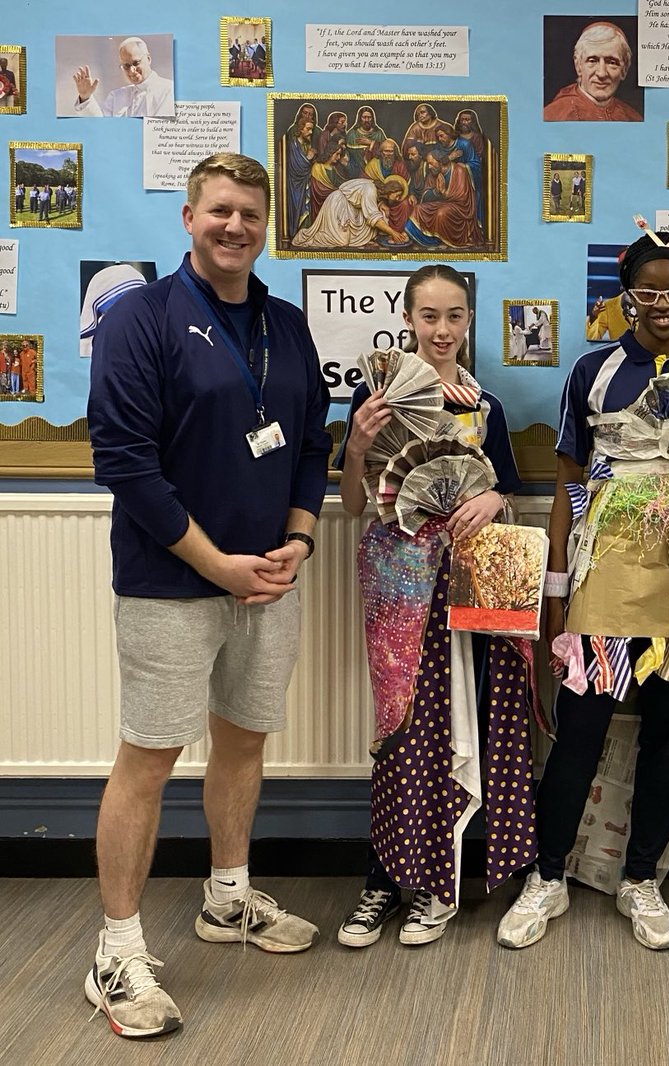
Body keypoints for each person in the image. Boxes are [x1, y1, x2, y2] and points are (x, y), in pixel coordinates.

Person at [85, 152, 332, 1038]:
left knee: (244, 742)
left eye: (250, 215)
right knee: (149, 758)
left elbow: (310, 442)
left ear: (268, 228)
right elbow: (124, 462)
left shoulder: (286, 325)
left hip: (269, 581)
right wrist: (215, 563)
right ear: (189, 218)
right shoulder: (141, 318)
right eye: (220, 211)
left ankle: (228, 897)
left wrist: (299, 539)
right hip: (171, 582)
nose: (235, 227)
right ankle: (116, 952)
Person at [496, 221, 669, 953]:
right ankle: (547, 875)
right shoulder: (592, 371)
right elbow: (569, 481)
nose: (662, 303)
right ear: (627, 295)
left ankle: (642, 878)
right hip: (604, 563)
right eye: (648, 290)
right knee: (580, 728)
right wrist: (554, 588)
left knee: (668, 734)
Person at [334, 264, 536, 949]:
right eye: (429, 316)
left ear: (469, 320)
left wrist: (495, 497)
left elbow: (505, 488)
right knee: (401, 727)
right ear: (407, 319)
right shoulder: (376, 397)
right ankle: (384, 878)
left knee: (467, 724)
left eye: (454, 316)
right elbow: (354, 505)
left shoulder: (486, 406)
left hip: (472, 577)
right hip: (400, 581)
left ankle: (437, 882)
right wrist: (360, 445)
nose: (442, 330)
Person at [544, 21, 642, 121]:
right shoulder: (553, 115)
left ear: (624, 70)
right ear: (578, 66)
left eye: (611, 62)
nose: (601, 74)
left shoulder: (633, 117)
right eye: (592, 61)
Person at [291, 175, 411, 250]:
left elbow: (368, 203)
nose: (398, 199)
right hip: (338, 204)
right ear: (390, 191)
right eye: (397, 195)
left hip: (351, 209)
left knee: (377, 219)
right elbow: (372, 216)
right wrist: (393, 233)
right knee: (341, 241)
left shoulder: (375, 190)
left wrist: (381, 205)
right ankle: (311, 237)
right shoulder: (370, 190)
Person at [73, 36, 174, 117]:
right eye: (126, 66)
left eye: (136, 63)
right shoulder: (116, 96)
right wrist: (85, 97)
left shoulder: (169, 90)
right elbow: (101, 125)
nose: (132, 70)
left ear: (148, 59)